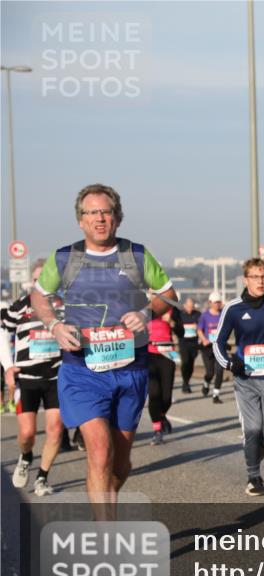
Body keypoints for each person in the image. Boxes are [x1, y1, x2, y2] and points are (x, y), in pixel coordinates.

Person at [31, 183, 177, 519]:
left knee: (120, 464)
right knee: (99, 451)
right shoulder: (64, 258)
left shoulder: (136, 255)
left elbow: (169, 295)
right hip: (82, 370)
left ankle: (105, 501)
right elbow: (39, 296)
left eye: (105, 211)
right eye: (91, 212)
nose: (99, 218)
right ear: (80, 220)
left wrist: (145, 312)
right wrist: (54, 325)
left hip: (130, 370)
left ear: (117, 218)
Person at [213, 259, 264, 496]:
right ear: (245, 279)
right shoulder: (233, 308)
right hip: (245, 379)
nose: (260, 281)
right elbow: (218, 342)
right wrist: (231, 364)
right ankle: (253, 478)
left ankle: (259, 444)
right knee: (252, 429)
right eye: (255, 277)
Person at [1, 261, 65, 495]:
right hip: (26, 377)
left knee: (55, 429)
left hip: (56, 375)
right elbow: (2, 332)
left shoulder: (63, 306)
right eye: (39, 279)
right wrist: (8, 366)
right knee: (27, 434)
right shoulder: (20, 306)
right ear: (32, 281)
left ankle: (42, 477)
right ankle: (26, 456)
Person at [146, 311, 178, 445]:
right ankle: (157, 430)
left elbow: (182, 332)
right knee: (154, 395)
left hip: (168, 355)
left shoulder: (171, 310)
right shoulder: (145, 310)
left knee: (166, 397)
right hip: (149, 354)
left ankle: (161, 415)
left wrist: (171, 322)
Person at [198, 292, 225, 403]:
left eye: (219, 302)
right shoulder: (204, 316)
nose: (217, 304)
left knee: (220, 371)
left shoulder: (223, 314)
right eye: (215, 302)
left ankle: (216, 395)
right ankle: (206, 383)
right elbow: (199, 330)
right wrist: (204, 339)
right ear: (210, 303)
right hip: (207, 347)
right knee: (210, 372)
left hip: (219, 346)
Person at [173, 297, 201, 393]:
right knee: (185, 362)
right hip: (183, 342)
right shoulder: (180, 315)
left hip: (194, 343)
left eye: (192, 306)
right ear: (184, 306)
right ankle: (185, 384)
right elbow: (176, 327)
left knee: (191, 364)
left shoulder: (198, 315)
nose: (190, 308)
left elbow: (202, 327)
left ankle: (187, 381)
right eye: (188, 306)